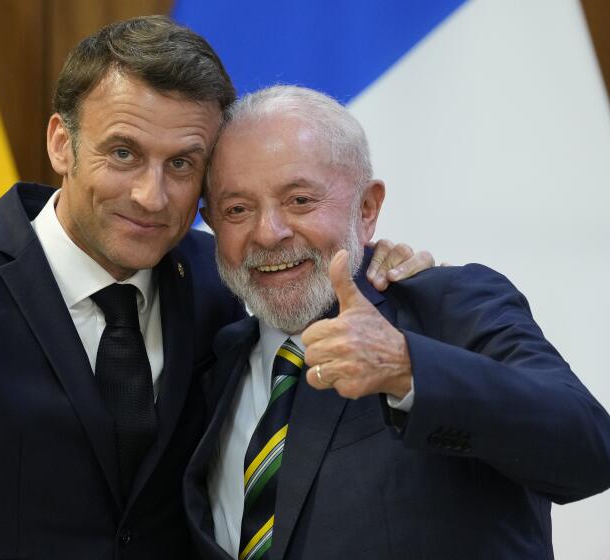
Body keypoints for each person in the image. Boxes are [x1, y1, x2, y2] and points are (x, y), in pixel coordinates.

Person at [0, 18, 431, 560]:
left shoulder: (221, 280)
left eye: (182, 164)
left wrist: (387, 267)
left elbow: (328, 304)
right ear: (63, 142)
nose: (152, 196)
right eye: (123, 153)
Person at [184, 85, 610, 559]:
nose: (268, 232)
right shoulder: (212, 360)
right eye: (237, 209)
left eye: (300, 200)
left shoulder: (446, 306)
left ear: (367, 208)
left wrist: (408, 370)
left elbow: (590, 451)